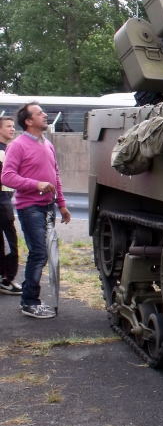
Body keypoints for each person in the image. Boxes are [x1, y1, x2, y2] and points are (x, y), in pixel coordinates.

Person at [1, 103, 71, 318]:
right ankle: (29, 302)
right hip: (29, 206)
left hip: (48, 206)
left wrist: (62, 204)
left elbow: (55, 175)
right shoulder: (18, 146)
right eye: (40, 113)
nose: (45, 115)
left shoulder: (47, 144)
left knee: (47, 253)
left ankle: (30, 299)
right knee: (39, 253)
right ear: (29, 121)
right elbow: (6, 177)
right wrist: (36, 184)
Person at [0, 115, 22, 295]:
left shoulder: (9, 149)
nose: (12, 129)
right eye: (8, 126)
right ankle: (5, 280)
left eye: (13, 126)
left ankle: (5, 279)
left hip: (6, 201)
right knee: (9, 244)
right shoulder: (2, 151)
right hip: (2, 203)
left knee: (7, 243)